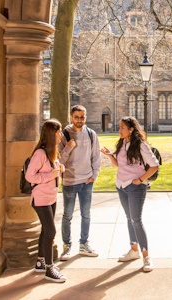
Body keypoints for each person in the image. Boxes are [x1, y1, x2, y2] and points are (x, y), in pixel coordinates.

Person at [100, 116, 159, 272]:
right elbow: (119, 165)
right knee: (129, 218)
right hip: (121, 185)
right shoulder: (122, 143)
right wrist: (110, 155)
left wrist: (140, 180)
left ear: (131, 129)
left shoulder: (141, 145)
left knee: (136, 220)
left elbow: (154, 166)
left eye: (122, 128)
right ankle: (134, 250)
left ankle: (146, 257)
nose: (119, 130)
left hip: (135, 187)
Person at [58, 105, 101, 260]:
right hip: (69, 181)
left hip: (86, 182)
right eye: (76, 117)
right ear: (71, 117)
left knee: (86, 214)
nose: (79, 120)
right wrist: (68, 148)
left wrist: (94, 176)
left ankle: (84, 244)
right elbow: (59, 160)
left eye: (82, 117)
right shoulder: (64, 135)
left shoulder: (91, 134)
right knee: (67, 215)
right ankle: (66, 246)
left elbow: (96, 157)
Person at [25, 119, 66, 283]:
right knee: (51, 232)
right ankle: (49, 268)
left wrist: (59, 170)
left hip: (51, 197)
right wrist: (52, 175)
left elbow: (51, 172)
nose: (61, 135)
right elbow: (30, 176)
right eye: (58, 132)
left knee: (45, 230)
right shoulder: (40, 154)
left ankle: (40, 261)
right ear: (51, 134)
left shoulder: (51, 152)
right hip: (41, 199)